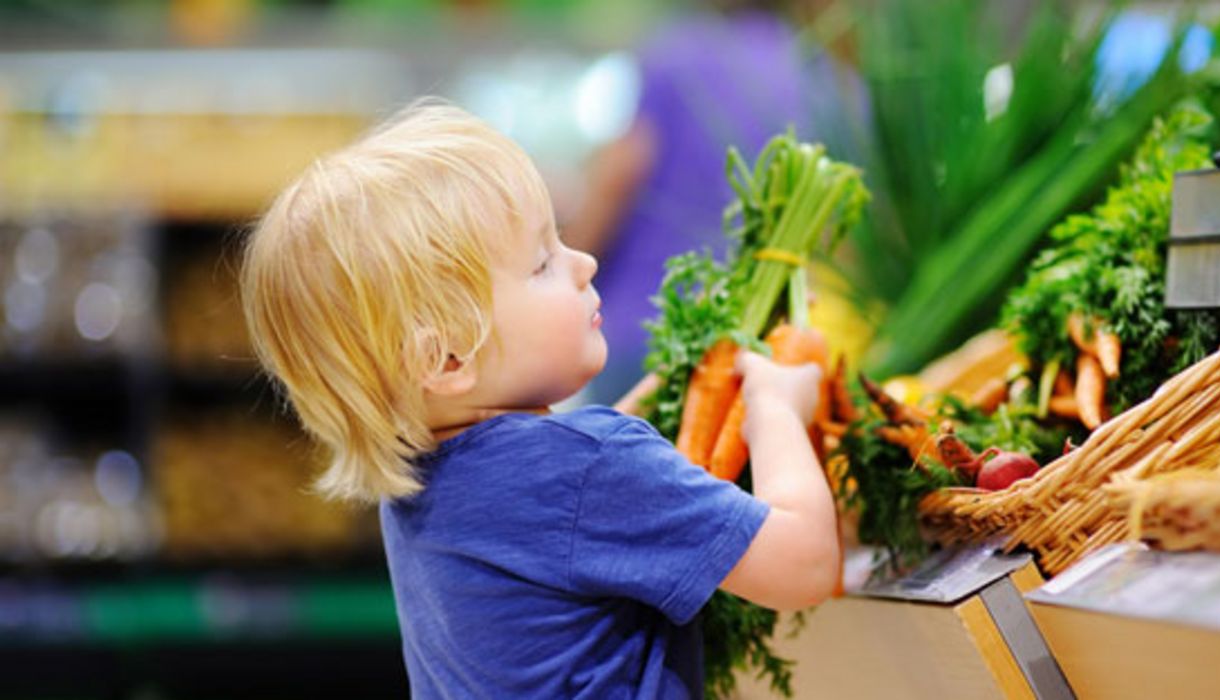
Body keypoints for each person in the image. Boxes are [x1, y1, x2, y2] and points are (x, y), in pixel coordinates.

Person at [239, 100, 839, 698]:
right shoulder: (591, 468)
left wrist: (643, 411)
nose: (584, 262)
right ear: (446, 360)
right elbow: (805, 565)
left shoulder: (424, 480)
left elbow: (560, 503)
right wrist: (775, 409)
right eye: (543, 262)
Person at [566, 3, 856, 403]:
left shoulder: (676, 54)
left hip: (641, 329)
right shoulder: (828, 80)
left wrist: (562, 271)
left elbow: (617, 180)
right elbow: (839, 242)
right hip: (754, 350)